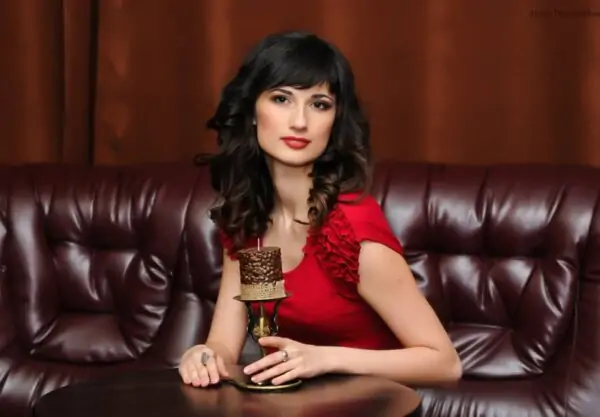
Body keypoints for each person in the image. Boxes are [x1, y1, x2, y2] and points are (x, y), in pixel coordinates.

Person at [179, 31, 462, 389]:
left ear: (335, 119)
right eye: (281, 99)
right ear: (251, 111)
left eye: (319, 104)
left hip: (372, 405)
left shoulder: (352, 230)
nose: (300, 121)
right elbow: (224, 345)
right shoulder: (247, 220)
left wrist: (325, 359)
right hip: (291, 405)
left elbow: (444, 363)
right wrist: (203, 356)